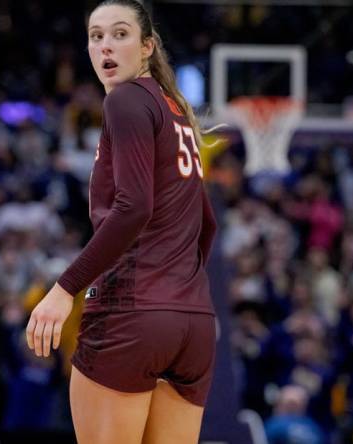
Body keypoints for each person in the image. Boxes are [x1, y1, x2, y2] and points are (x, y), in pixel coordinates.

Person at [25, 1, 218, 443]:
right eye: (96, 36)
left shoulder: (128, 100)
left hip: (133, 314)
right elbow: (207, 224)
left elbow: (133, 208)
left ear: (148, 46)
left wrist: (63, 289)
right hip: (193, 326)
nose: (106, 46)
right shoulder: (175, 111)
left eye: (120, 34)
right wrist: (176, 291)